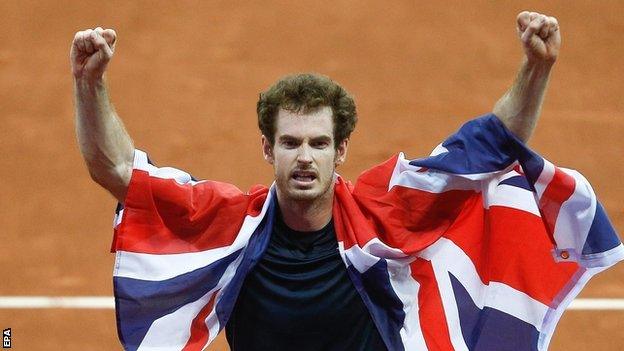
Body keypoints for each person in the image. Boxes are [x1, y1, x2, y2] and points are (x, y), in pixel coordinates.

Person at [72, 11, 622, 351]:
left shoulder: (383, 213)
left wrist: (536, 68)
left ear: (341, 151)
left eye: (317, 143)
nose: (304, 157)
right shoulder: (228, 224)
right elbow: (118, 171)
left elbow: (490, 147)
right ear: (268, 148)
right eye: (290, 143)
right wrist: (88, 84)